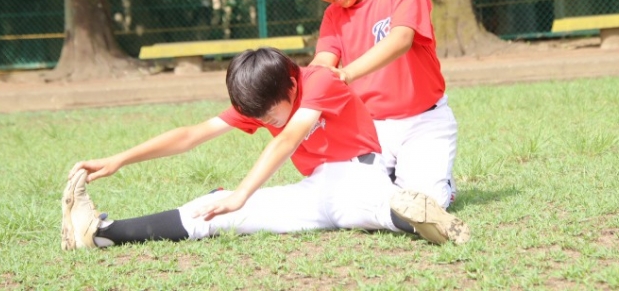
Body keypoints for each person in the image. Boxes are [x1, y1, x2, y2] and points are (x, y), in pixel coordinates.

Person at [61, 47, 470, 251]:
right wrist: (119, 159)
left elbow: (289, 138)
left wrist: (242, 193)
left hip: (359, 173)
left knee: (377, 205)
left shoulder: (320, 81)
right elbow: (191, 135)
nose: (266, 122)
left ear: (291, 85)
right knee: (211, 212)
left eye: (270, 114)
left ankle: (419, 213)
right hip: (316, 193)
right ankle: (101, 233)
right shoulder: (264, 97)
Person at [285, 0, 458, 210]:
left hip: (423, 120)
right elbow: (322, 63)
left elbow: (401, 39)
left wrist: (347, 73)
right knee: (347, 202)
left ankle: (442, 184)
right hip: (371, 129)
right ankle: (395, 176)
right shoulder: (333, 16)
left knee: (424, 207)